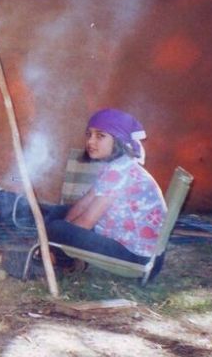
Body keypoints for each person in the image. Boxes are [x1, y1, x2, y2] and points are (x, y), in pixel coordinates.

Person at [45, 108, 167, 275]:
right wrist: (61, 232)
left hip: (138, 259)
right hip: (124, 240)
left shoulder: (119, 172)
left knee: (57, 228)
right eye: (89, 134)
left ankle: (64, 264)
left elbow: (86, 222)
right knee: (58, 213)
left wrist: (55, 238)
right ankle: (64, 256)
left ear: (118, 140)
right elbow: (83, 204)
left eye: (100, 136)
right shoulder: (116, 165)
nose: (91, 142)